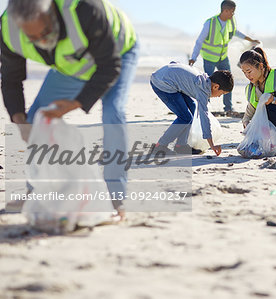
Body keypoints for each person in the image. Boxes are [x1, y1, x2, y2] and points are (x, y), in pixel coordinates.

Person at [1, 0, 139, 218]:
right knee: (38, 116)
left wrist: (76, 103)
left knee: (113, 112)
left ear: (52, 12)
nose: (42, 41)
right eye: (33, 38)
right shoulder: (8, 30)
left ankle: (115, 198)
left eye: (46, 31)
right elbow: (10, 79)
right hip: (72, 65)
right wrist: (19, 120)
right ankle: (37, 192)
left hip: (118, 51)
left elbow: (109, 66)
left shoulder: (84, 9)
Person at [188, 0, 259, 116]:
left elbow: (236, 32)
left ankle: (228, 108)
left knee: (228, 81)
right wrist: (193, 57)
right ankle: (206, 109)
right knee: (208, 83)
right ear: (225, 10)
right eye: (232, 12)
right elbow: (199, 41)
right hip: (209, 57)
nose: (233, 14)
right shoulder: (210, 23)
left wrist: (250, 40)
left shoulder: (231, 22)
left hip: (223, 57)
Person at [150, 62, 234, 156]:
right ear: (216, 86)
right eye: (221, 94)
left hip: (168, 76)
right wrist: (212, 145)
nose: (219, 96)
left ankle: (180, 146)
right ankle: (160, 146)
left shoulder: (205, 80)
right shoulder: (203, 91)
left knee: (193, 109)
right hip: (162, 83)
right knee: (185, 117)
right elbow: (204, 119)